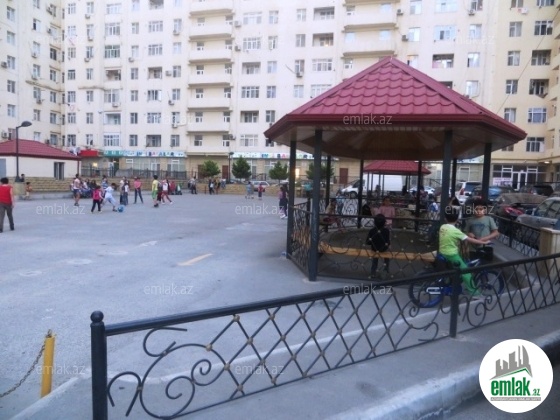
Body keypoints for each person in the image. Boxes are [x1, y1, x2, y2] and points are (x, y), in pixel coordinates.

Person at [439, 207, 490, 295]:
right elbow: (470, 240)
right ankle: (475, 294)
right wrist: (484, 242)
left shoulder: (442, 227)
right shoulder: (455, 231)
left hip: (442, 252)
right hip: (451, 254)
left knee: (457, 268)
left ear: (445, 218)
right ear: (457, 219)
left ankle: (452, 282)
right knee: (466, 273)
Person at [366, 214, 391, 280]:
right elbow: (387, 242)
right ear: (384, 223)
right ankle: (385, 270)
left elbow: (367, 242)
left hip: (374, 249)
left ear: (374, 222)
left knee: (375, 259)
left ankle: (373, 272)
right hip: (383, 249)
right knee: (387, 257)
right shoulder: (386, 231)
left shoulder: (372, 230)